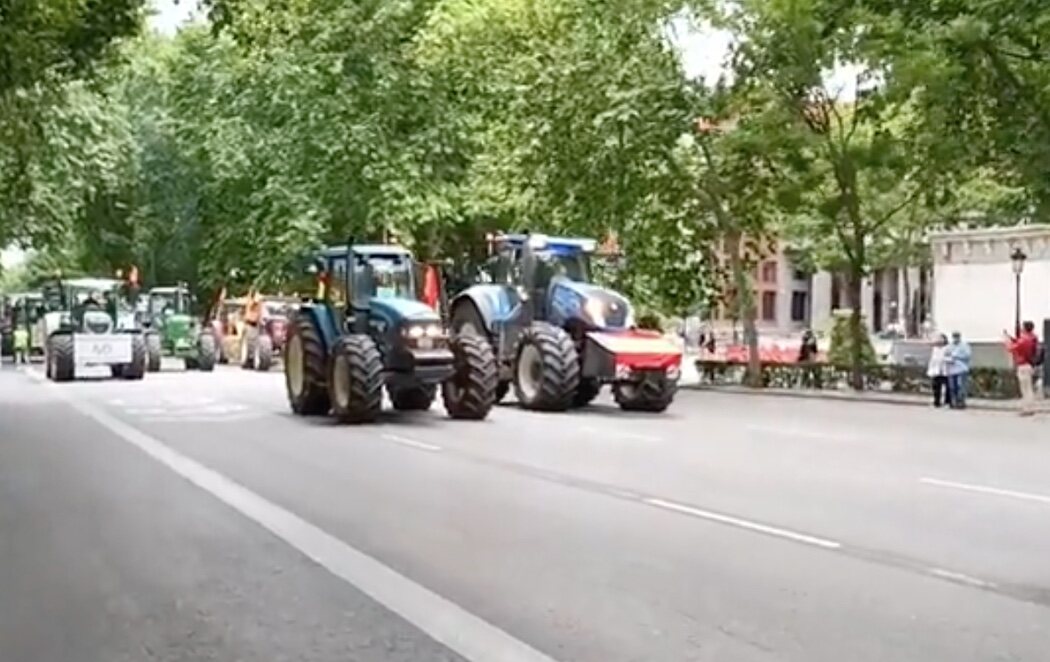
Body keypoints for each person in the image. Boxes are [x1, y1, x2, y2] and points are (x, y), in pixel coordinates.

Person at [1004, 321, 1040, 416]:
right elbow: (1018, 342)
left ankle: (1026, 409)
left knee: (1025, 389)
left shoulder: (1024, 340)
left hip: (1023, 365)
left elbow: (1011, 348)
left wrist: (1006, 341)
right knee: (1029, 388)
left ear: (1025, 328)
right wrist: (1012, 338)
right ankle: (1030, 407)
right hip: (1029, 364)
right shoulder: (1033, 338)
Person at [944, 331, 972, 409]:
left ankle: (961, 402)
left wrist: (956, 356)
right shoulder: (949, 346)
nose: (955, 338)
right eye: (954, 336)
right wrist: (949, 359)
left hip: (961, 368)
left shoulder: (964, 346)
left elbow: (967, 355)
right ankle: (954, 402)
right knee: (953, 387)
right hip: (952, 369)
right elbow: (945, 356)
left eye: (957, 336)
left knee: (961, 387)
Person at [927, 333, 949, 408]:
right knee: (936, 388)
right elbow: (933, 360)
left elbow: (950, 358)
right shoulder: (935, 349)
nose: (939, 340)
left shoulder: (947, 348)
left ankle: (947, 403)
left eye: (941, 339)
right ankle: (936, 403)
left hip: (945, 371)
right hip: (936, 371)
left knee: (947, 388)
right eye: (938, 339)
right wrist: (930, 370)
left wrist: (944, 360)